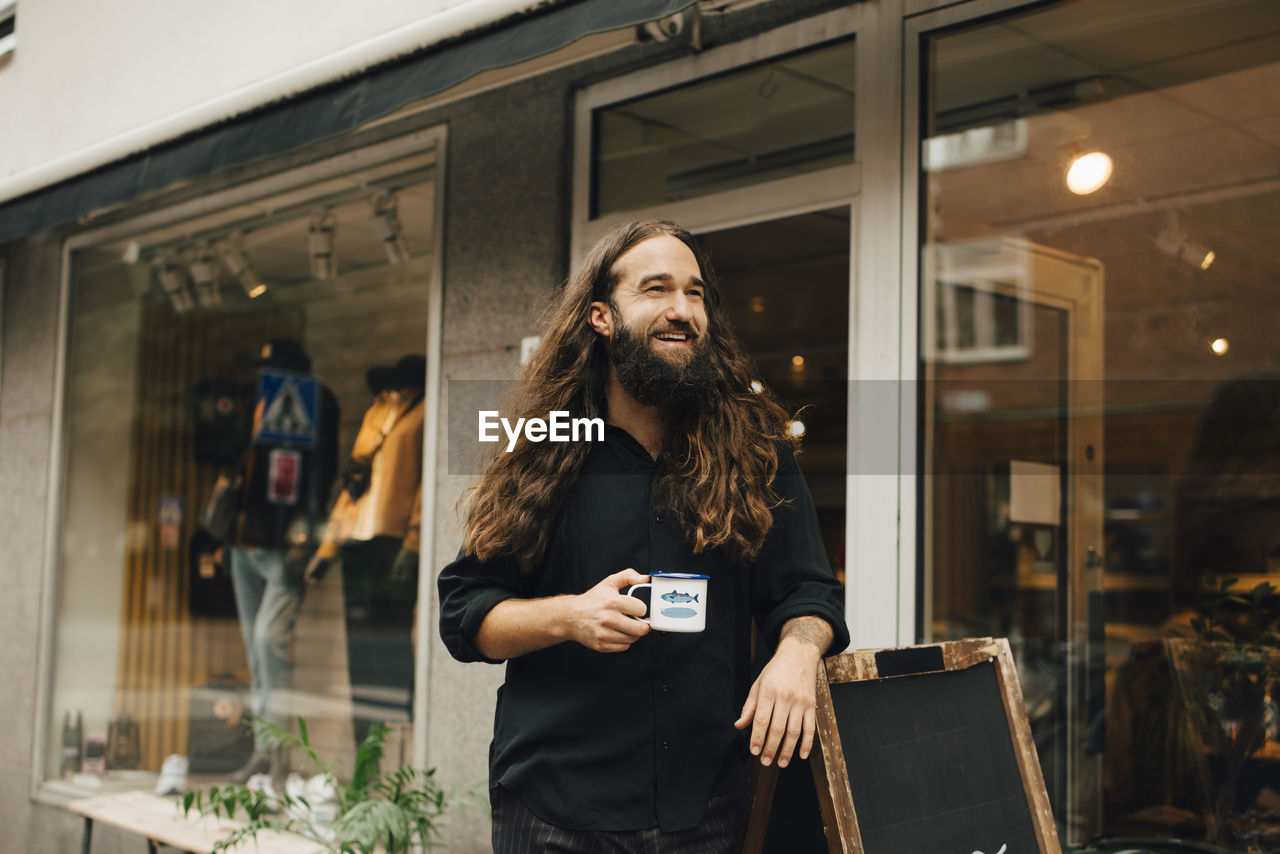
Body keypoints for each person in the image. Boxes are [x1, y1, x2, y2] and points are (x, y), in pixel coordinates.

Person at [437, 219, 849, 852]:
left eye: (696, 293)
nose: (682, 310)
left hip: (708, 809)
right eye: (656, 289)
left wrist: (796, 656)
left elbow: (809, 593)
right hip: (556, 812)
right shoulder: (546, 450)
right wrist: (569, 617)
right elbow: (467, 614)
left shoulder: (755, 450)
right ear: (602, 316)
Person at [221, 338, 339, 783]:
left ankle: (279, 755)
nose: (264, 375)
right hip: (245, 540)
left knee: (271, 641)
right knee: (256, 647)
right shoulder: (259, 401)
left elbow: (320, 475)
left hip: (284, 542)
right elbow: (239, 466)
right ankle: (263, 749)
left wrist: (306, 539)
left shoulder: (317, 401)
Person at [306, 354, 426, 750]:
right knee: (360, 644)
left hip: (393, 540)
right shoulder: (378, 411)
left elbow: (429, 485)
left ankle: (402, 739)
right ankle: (366, 746)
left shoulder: (425, 410)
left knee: (391, 640)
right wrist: (327, 547)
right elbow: (353, 482)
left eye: (401, 386)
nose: (395, 392)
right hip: (358, 541)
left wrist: (413, 542)